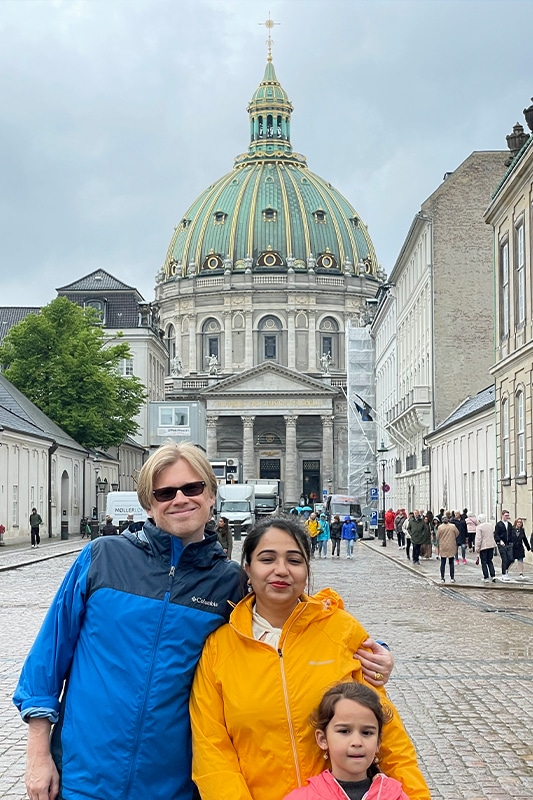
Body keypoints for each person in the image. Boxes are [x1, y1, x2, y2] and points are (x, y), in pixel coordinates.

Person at [13, 442, 243, 800]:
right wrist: (38, 754)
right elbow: (48, 658)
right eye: (165, 492)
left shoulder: (231, 583)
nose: (180, 498)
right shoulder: (104, 556)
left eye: (193, 488)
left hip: (174, 786)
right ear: (149, 504)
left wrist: (354, 654)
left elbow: (273, 652)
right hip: (82, 780)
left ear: (212, 495)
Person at [190, 518, 430, 800]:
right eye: (267, 559)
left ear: (306, 570)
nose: (281, 570)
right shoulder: (219, 648)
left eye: (294, 560)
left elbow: (387, 731)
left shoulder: (340, 630)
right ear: (248, 569)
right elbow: (213, 752)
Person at [283, 683, 410, 800]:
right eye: (344, 731)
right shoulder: (303, 797)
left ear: (378, 742)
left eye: (367, 733)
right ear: (322, 739)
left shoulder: (395, 796)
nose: (357, 742)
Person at [474, 514, 497, 583]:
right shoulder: (490, 525)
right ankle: (493, 575)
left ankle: (486, 577)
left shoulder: (479, 527)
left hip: (483, 546)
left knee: (484, 562)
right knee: (490, 561)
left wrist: (477, 547)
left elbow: (478, 538)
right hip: (491, 545)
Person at [436, 512, 457, 584]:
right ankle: (452, 578)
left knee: (443, 562)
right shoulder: (453, 526)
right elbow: (457, 533)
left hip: (443, 546)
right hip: (451, 546)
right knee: (451, 563)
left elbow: (437, 537)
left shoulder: (440, 527)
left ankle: (442, 577)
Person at [494, 510, 515, 580]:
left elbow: (511, 534)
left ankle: (506, 569)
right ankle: (504, 574)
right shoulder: (499, 524)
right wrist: (499, 541)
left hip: (509, 544)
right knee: (504, 558)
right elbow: (496, 534)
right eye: (506, 515)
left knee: (511, 559)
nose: (507, 517)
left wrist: (512, 541)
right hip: (501, 544)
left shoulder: (509, 524)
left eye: (508, 516)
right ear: (502, 515)